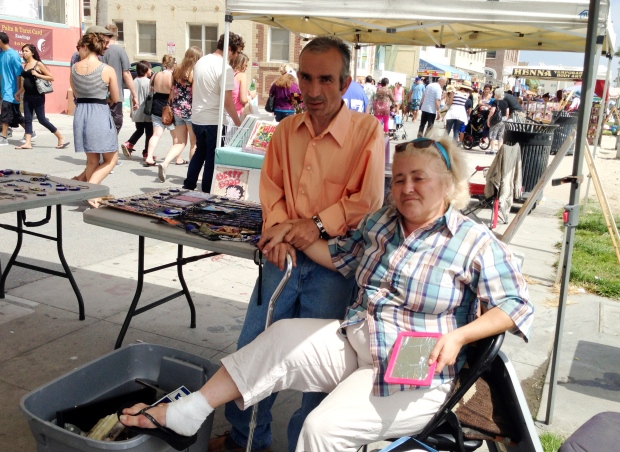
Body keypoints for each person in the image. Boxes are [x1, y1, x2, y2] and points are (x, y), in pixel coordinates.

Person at [120, 137, 534, 452]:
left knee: (322, 428)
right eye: (400, 178)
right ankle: (188, 413)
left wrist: (459, 336)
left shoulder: (474, 241)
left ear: (448, 184)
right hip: (358, 342)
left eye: (419, 178)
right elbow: (340, 256)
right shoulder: (384, 224)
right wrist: (289, 234)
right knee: (280, 339)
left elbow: (517, 304)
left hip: (412, 375)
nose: (406, 188)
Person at [213, 36, 384, 452]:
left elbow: (367, 201)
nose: (312, 90)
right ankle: (247, 438)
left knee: (318, 365)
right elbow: (271, 190)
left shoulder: (367, 132)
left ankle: (305, 445)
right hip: (283, 255)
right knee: (253, 349)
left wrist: (316, 226)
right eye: (305, 77)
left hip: (332, 266)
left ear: (344, 85)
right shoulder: (286, 129)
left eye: (325, 79)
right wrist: (277, 230)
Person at [183, 32, 243, 192]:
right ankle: (207, 192)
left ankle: (188, 185)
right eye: (237, 52)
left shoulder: (201, 61)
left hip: (197, 117)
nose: (237, 56)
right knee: (211, 158)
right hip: (213, 119)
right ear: (230, 49)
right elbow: (227, 100)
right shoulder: (226, 68)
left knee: (199, 152)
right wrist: (238, 122)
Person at [71, 33, 119, 207]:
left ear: (85, 46)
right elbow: (115, 97)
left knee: (92, 160)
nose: (78, 52)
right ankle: (92, 191)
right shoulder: (106, 69)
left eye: (79, 48)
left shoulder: (74, 68)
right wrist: (104, 99)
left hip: (81, 113)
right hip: (99, 113)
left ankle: (90, 193)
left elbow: (76, 94)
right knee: (111, 159)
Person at [156, 47, 203, 182]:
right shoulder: (193, 73)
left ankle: (165, 163)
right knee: (194, 144)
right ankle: (193, 173)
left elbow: (172, 90)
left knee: (180, 142)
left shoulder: (176, 71)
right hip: (190, 111)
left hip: (177, 110)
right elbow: (195, 94)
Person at [14, 44, 68, 149]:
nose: (24, 53)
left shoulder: (38, 64)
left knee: (42, 119)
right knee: (28, 119)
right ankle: (28, 143)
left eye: (26, 51)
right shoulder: (26, 65)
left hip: (37, 96)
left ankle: (60, 137)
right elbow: (26, 83)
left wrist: (37, 74)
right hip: (27, 96)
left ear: (32, 52)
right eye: (23, 51)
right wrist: (17, 93)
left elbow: (51, 77)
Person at [103, 23, 138, 134]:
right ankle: (109, 147)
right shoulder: (120, 51)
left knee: (102, 122)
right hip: (116, 94)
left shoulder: (99, 51)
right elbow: (126, 74)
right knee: (116, 122)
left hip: (100, 93)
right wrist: (134, 95)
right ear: (117, 35)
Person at [143, 55, 175, 166]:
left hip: (156, 105)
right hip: (168, 107)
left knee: (156, 134)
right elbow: (174, 92)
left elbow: (151, 89)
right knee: (176, 136)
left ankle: (150, 156)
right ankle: (178, 158)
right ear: (172, 64)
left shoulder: (155, 75)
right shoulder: (172, 76)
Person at [122, 61, 153, 160]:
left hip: (136, 111)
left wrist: (132, 110)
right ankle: (147, 152)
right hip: (146, 112)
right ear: (146, 70)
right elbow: (150, 97)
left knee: (139, 130)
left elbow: (132, 96)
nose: (151, 70)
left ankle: (129, 144)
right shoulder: (148, 82)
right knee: (149, 132)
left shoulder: (134, 81)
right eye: (150, 68)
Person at [0, 31, 24, 146]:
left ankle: (3, 137)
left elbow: (19, 74)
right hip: (5, 90)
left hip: (12, 91)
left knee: (5, 112)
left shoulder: (13, 55)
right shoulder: (2, 54)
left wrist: (18, 92)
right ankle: (31, 132)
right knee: (16, 115)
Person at [230, 52, 256, 118]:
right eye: (246, 65)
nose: (246, 68)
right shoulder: (242, 76)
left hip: (227, 113)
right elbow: (243, 100)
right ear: (240, 63)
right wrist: (251, 96)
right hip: (237, 113)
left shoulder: (229, 74)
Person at [487, 87, 509, 155]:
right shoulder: (506, 102)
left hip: (496, 120)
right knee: (500, 135)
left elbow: (492, 111)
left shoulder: (495, 102)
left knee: (493, 134)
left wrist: (488, 119)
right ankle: (499, 151)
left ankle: (492, 150)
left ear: (497, 94)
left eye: (495, 94)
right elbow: (507, 112)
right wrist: (505, 119)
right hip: (504, 120)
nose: (494, 95)